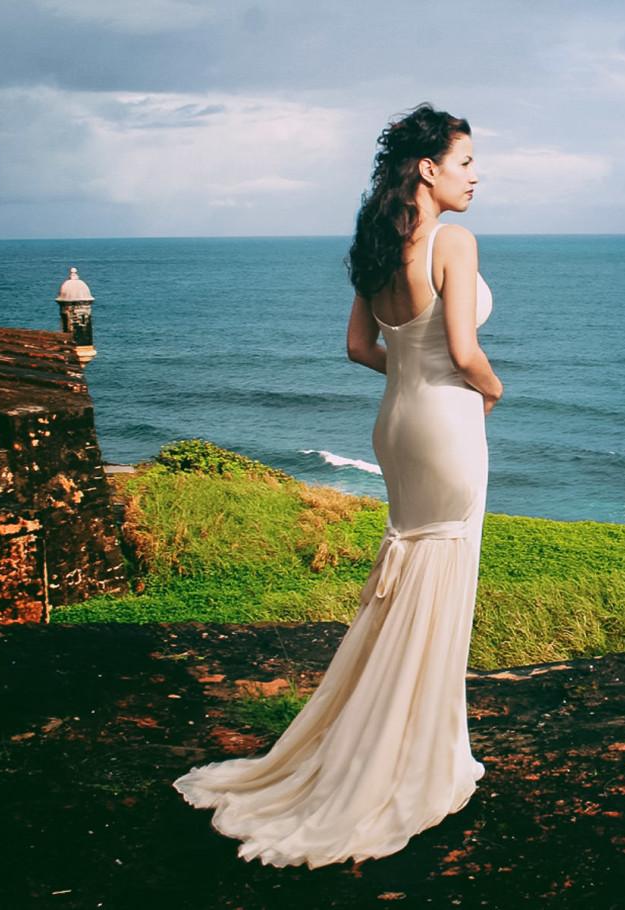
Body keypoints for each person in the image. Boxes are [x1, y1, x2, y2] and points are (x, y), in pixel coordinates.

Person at [174, 104, 502, 869]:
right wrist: (490, 391)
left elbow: (360, 346)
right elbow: (463, 350)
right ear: (428, 169)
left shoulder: (375, 243)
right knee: (440, 577)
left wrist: (416, 376)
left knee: (406, 576)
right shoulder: (453, 241)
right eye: (465, 163)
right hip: (447, 428)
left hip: (394, 426)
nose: (476, 176)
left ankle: (383, 740)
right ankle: (417, 756)